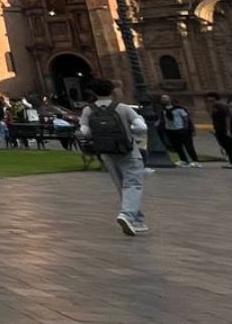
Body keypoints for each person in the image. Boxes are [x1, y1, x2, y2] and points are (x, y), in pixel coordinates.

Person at [79, 79, 149, 236]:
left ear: (94, 93)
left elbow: (85, 132)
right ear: (112, 91)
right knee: (133, 184)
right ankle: (127, 214)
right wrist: (133, 133)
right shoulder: (123, 108)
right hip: (128, 151)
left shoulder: (88, 110)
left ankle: (136, 220)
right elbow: (141, 127)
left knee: (121, 185)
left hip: (106, 153)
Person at [159, 94, 200, 166]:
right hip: (170, 130)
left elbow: (186, 118)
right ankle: (183, 160)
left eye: (165, 98)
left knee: (188, 146)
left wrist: (186, 127)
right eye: (162, 99)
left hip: (181, 129)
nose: (164, 100)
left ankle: (195, 161)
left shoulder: (179, 108)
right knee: (177, 146)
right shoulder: (163, 110)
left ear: (170, 99)